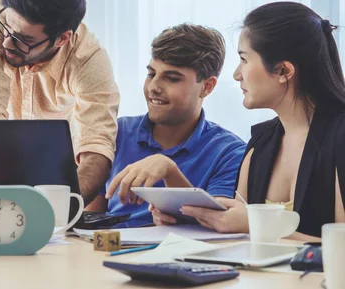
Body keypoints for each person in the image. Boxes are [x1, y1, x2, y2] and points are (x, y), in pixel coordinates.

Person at [180, 2, 345, 240]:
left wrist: (256, 225)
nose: (237, 74)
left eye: (244, 60)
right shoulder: (260, 143)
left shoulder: (340, 138)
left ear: (283, 71)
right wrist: (187, 217)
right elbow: (239, 232)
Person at [0, 0, 120, 204]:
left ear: (62, 39)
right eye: (6, 28)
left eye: (25, 40)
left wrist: (60, 210)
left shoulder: (88, 60)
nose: (7, 42)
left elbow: (96, 148)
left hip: (54, 170)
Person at [89, 23, 245, 225]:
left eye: (171, 78)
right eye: (151, 74)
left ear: (207, 86)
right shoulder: (115, 132)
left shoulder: (230, 153)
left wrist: (169, 170)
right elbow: (88, 219)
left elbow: (217, 224)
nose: (153, 87)